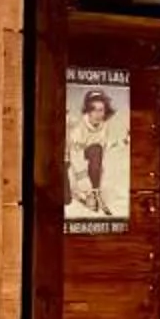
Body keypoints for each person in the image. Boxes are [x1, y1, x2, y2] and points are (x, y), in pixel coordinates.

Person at [64, 82, 129, 223]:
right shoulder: (79, 129)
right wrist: (85, 191)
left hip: (91, 159)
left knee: (96, 149)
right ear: (88, 110)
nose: (99, 114)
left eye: (101, 110)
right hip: (70, 162)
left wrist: (124, 141)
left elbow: (105, 146)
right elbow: (76, 160)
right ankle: (87, 193)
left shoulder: (103, 126)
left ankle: (95, 191)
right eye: (95, 110)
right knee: (66, 200)